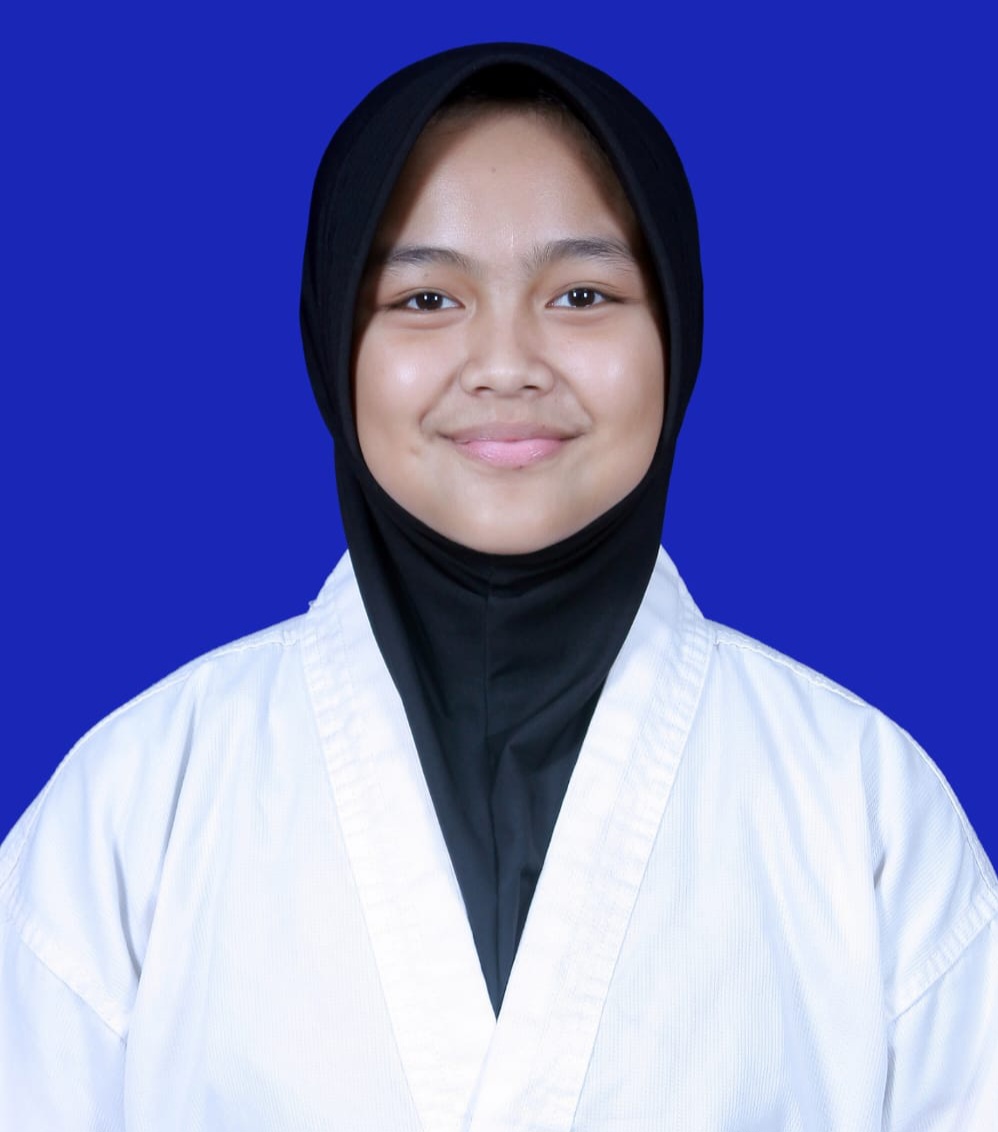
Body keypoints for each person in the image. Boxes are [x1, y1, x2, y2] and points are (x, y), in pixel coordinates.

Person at [1, 41, 994, 1130]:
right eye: (427, 297)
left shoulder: (863, 806)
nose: (507, 363)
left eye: (581, 293)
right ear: (333, 340)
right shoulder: (135, 806)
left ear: (677, 331)